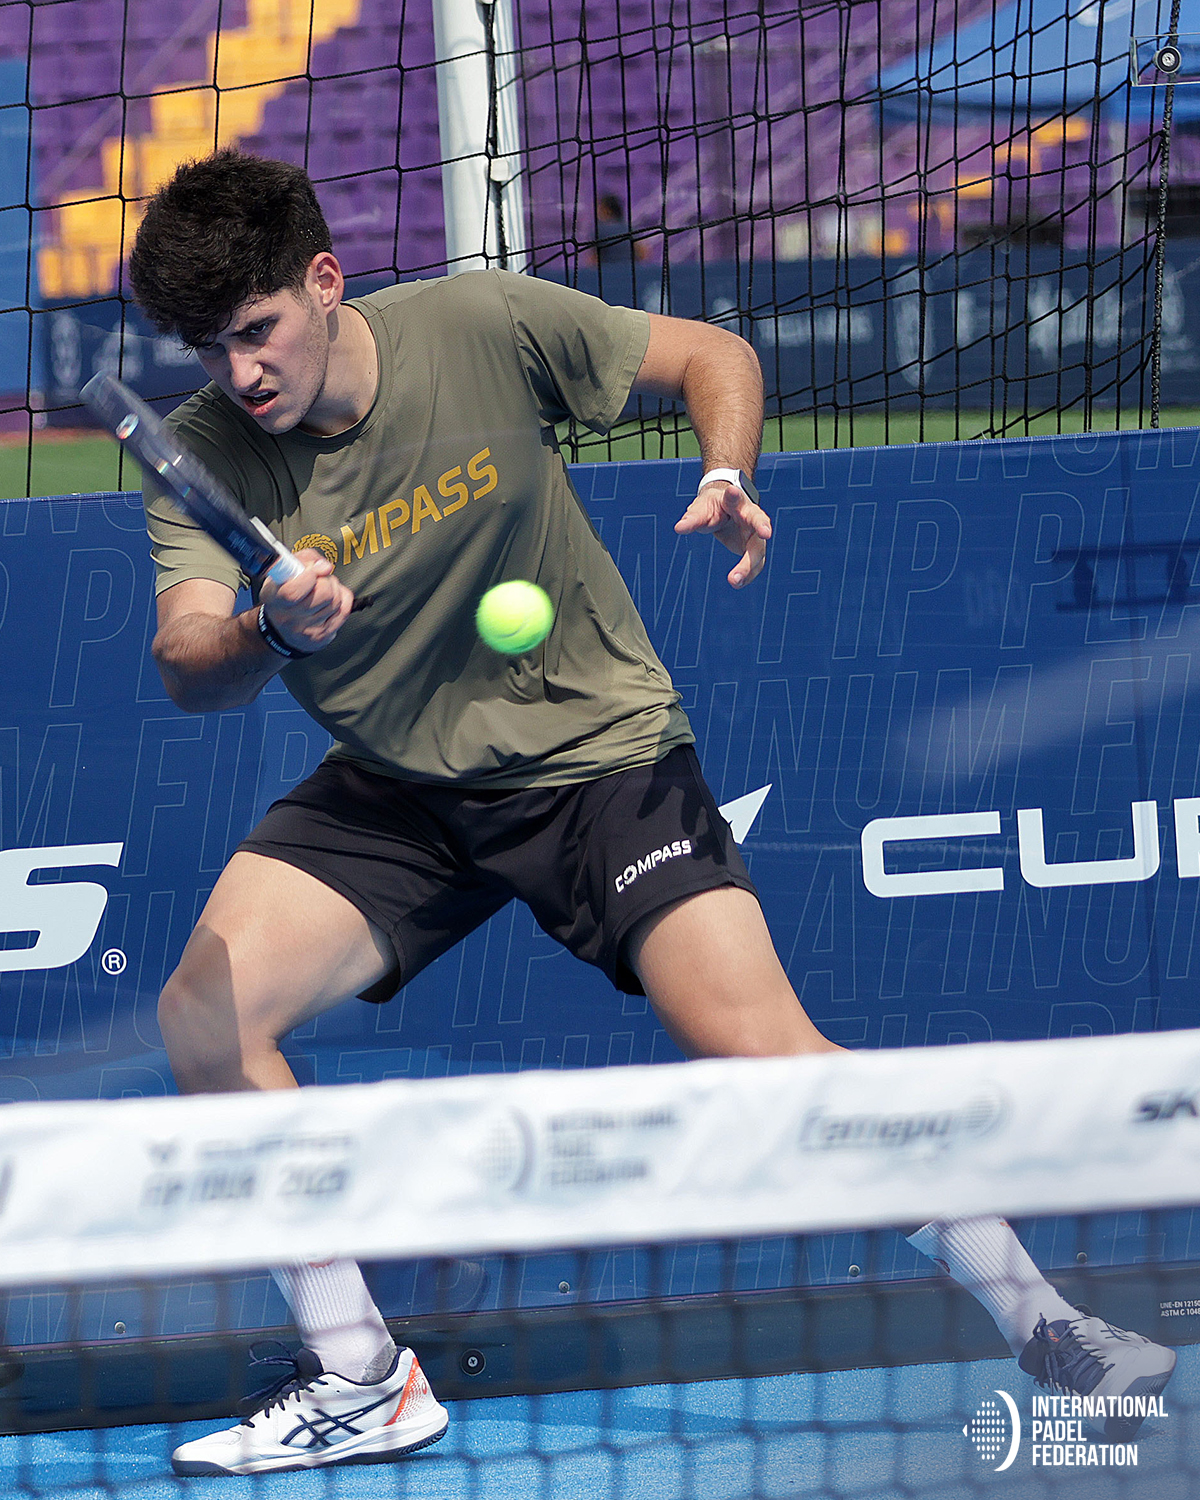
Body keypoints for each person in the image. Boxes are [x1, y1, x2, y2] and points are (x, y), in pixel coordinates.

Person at [127, 150, 1174, 1477]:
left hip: (598, 759)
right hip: (399, 782)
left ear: (325, 281)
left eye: (256, 330)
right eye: (209, 349)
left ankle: (1050, 1324)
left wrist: (728, 472)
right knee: (205, 1017)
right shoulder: (208, 455)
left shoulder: (479, 323)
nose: (239, 373)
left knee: (761, 1050)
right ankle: (362, 1375)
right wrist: (269, 629)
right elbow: (189, 661)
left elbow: (710, 355)